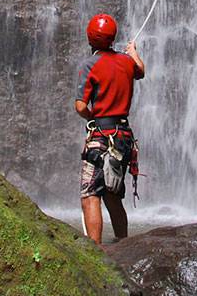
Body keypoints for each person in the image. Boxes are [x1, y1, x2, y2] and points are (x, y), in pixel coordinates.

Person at [75, 13, 145, 245]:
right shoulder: (126, 62)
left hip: (101, 138)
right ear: (113, 37)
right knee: (113, 195)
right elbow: (141, 70)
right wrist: (132, 51)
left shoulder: (90, 64)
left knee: (90, 194)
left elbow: (80, 106)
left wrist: (92, 117)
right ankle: (123, 245)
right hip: (123, 137)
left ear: (90, 39)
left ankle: (95, 253)